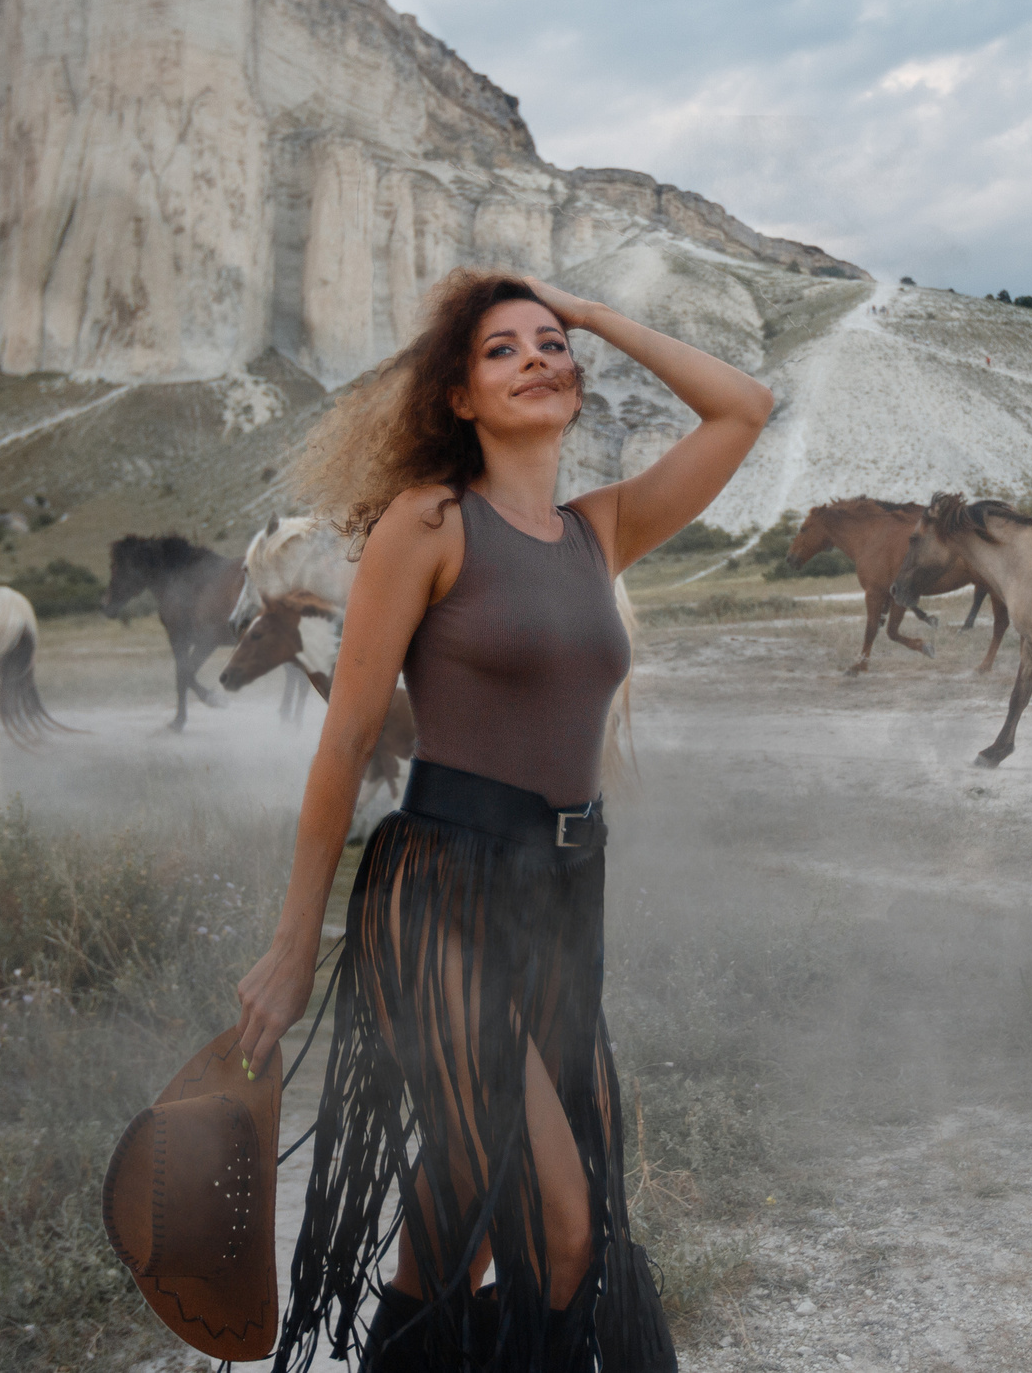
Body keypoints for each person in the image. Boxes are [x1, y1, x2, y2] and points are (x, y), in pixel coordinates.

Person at [234, 269, 771, 1371]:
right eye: (501, 351)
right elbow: (343, 744)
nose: (535, 359)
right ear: (458, 400)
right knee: (563, 1233)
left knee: (457, 1216)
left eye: (548, 347)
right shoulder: (428, 523)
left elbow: (743, 409)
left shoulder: (599, 531)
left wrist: (598, 318)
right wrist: (297, 946)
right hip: (444, 894)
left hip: (567, 895)